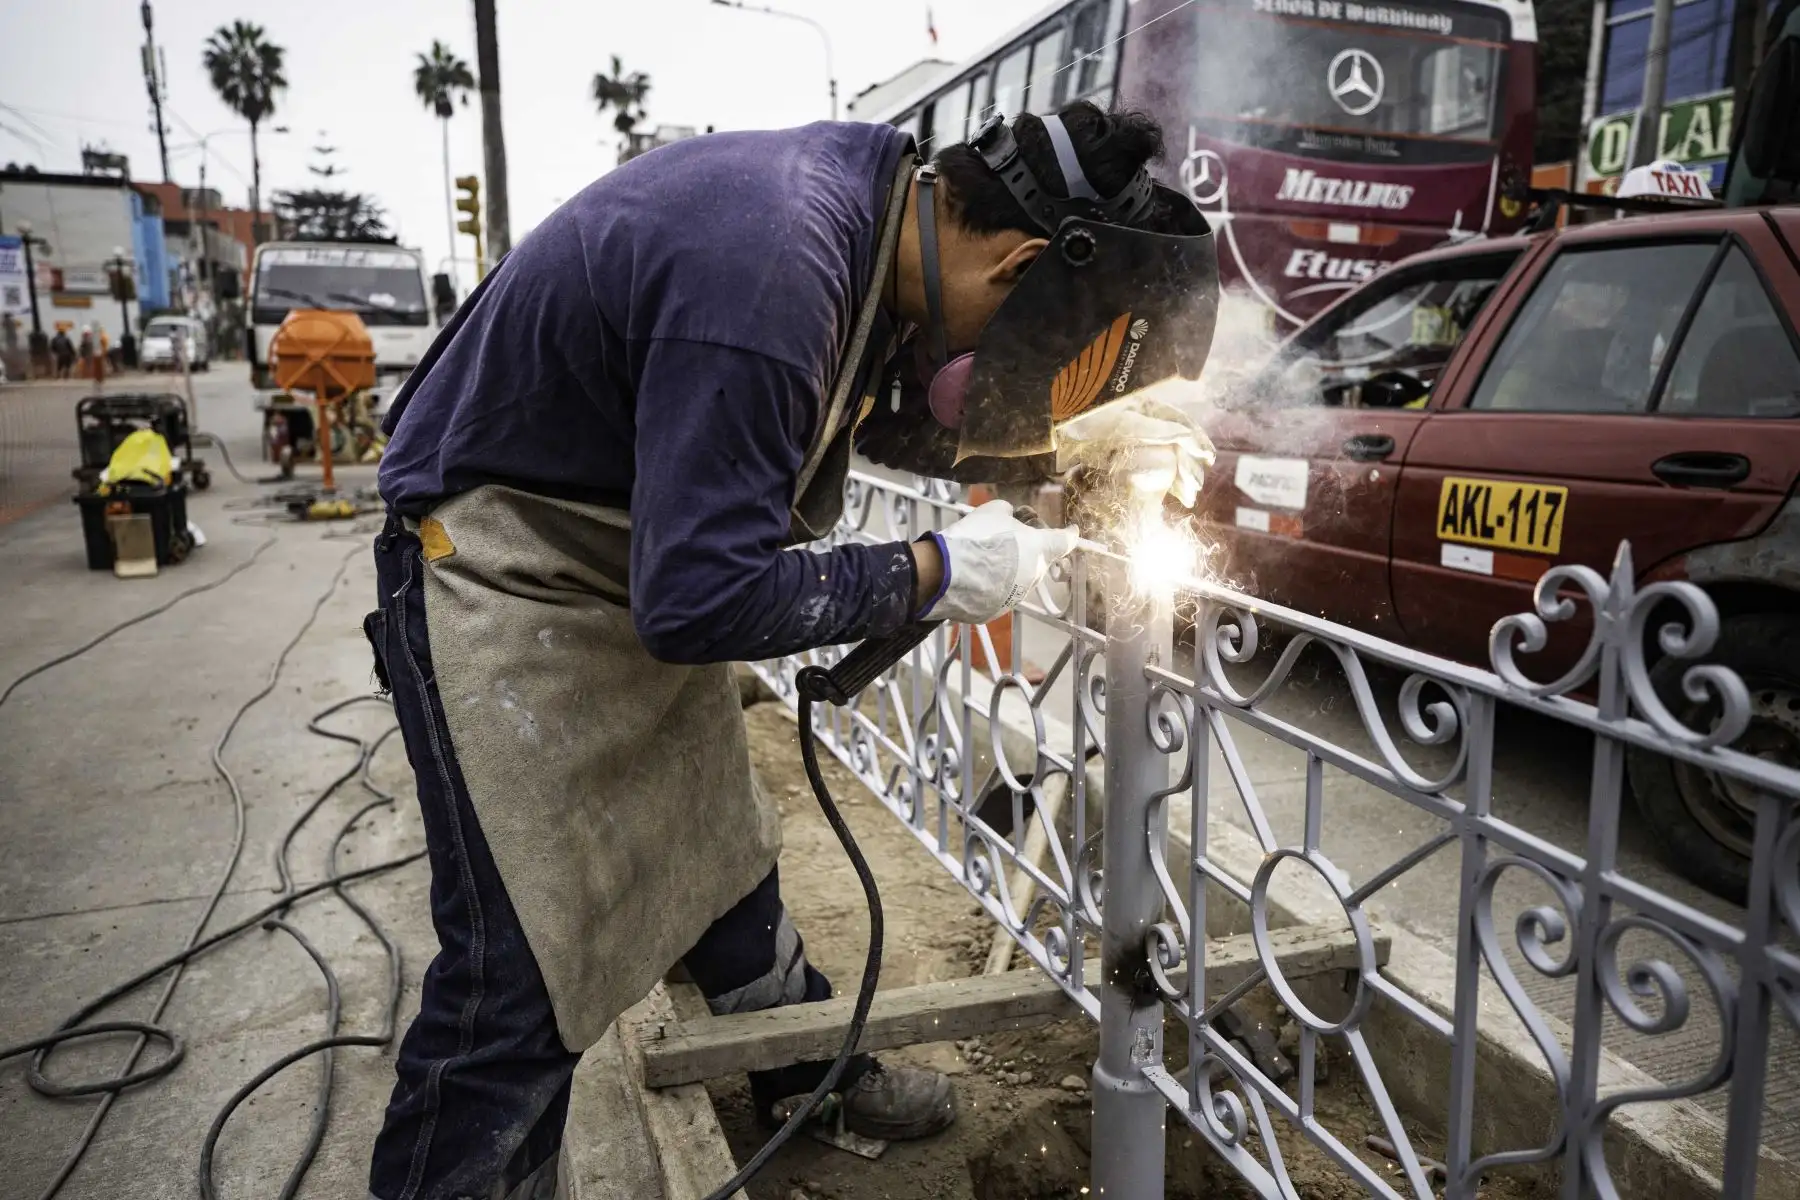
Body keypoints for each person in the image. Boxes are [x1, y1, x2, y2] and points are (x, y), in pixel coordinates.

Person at [368, 102, 1217, 1200]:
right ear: (1016, 267)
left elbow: (900, 405)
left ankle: (808, 1074)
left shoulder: (864, 219)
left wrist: (1067, 463)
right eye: (1050, 348)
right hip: (496, 567)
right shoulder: (773, 273)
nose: (985, 365)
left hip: (608, 554)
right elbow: (698, 601)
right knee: (518, 976)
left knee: (719, 845)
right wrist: (938, 571)